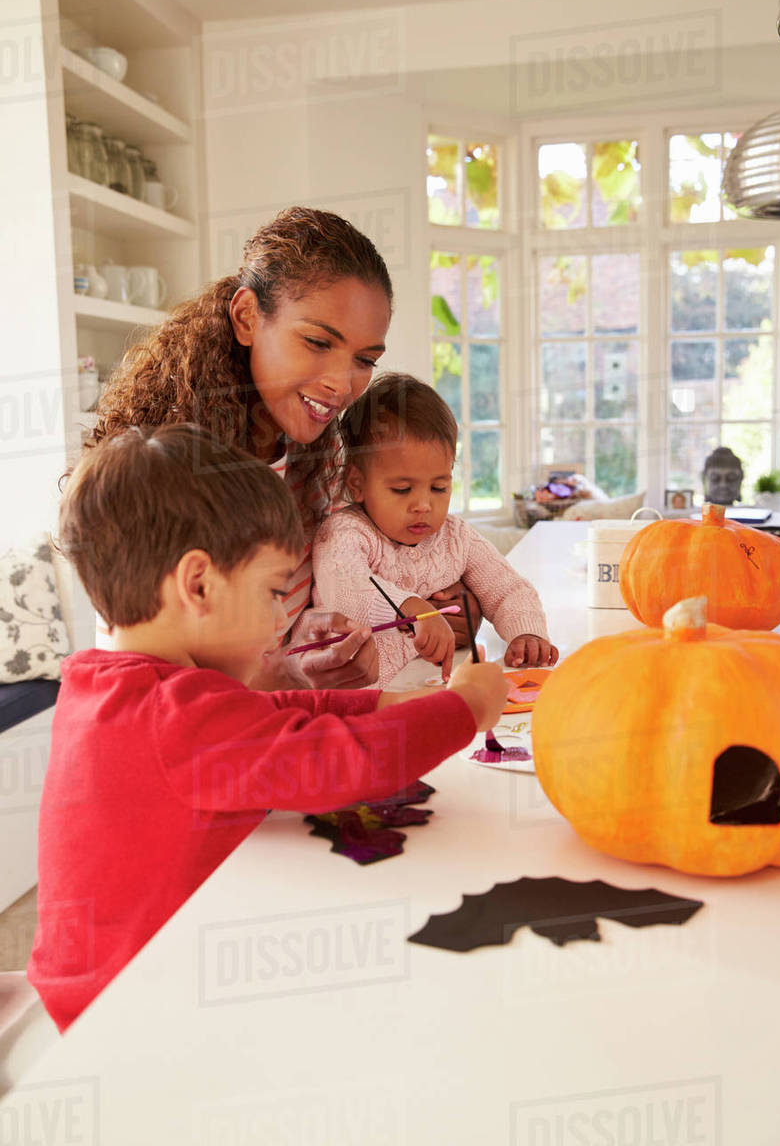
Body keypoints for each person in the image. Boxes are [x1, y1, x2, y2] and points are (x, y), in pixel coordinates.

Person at [28, 425, 507, 1032]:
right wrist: (462, 709)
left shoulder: (117, 687)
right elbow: (340, 765)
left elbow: (270, 717)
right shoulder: (172, 717)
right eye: (273, 591)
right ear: (198, 584)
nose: (282, 615)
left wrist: (383, 702)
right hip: (128, 1012)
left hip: (119, 981)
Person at [91, 207, 481, 690]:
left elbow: (361, 565)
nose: (341, 384)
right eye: (317, 342)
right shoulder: (166, 475)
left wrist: (302, 659)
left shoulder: (320, 456)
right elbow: (157, 685)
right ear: (247, 316)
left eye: (364, 360)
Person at [307, 374, 559, 686]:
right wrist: (410, 608)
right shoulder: (345, 532)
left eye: (439, 487)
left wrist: (527, 631)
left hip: (426, 685)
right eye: (402, 489)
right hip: (356, 694)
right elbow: (343, 588)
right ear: (357, 484)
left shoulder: (456, 538)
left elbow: (507, 588)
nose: (423, 505)